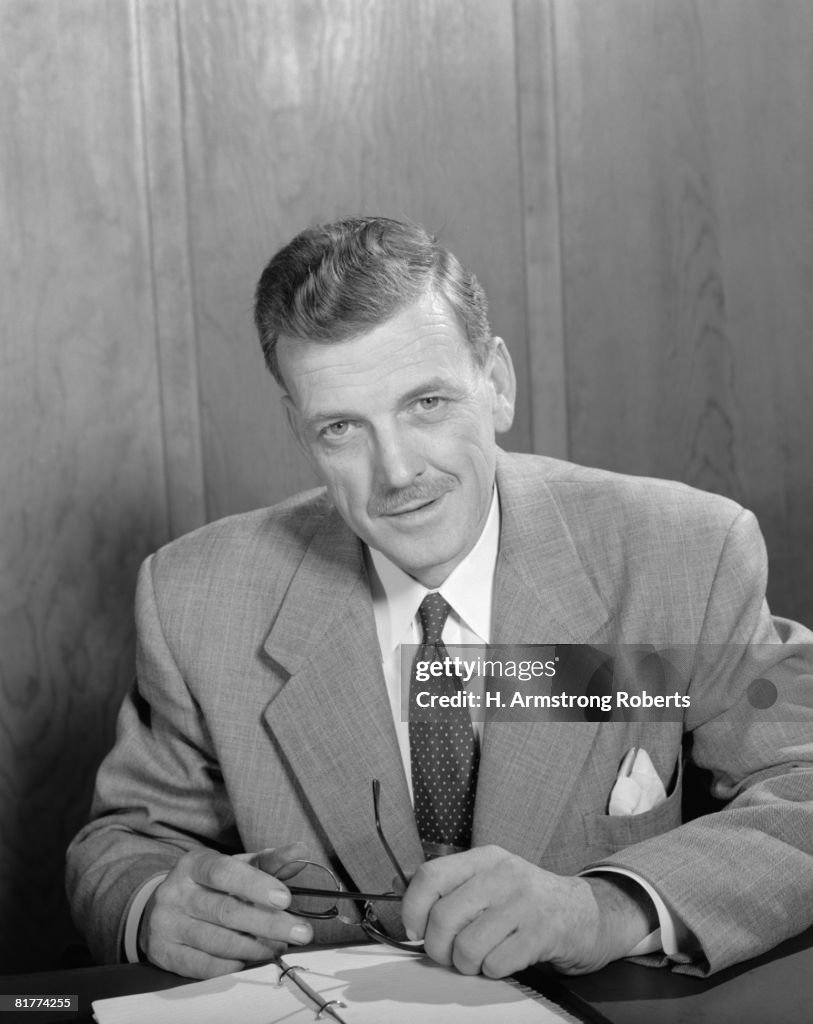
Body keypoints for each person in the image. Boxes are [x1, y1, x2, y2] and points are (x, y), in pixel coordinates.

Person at [67, 216, 813, 982]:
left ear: (496, 384)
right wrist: (153, 902)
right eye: (341, 428)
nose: (396, 471)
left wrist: (607, 907)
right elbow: (124, 840)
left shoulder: (684, 552)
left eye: (425, 403)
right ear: (299, 431)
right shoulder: (196, 597)